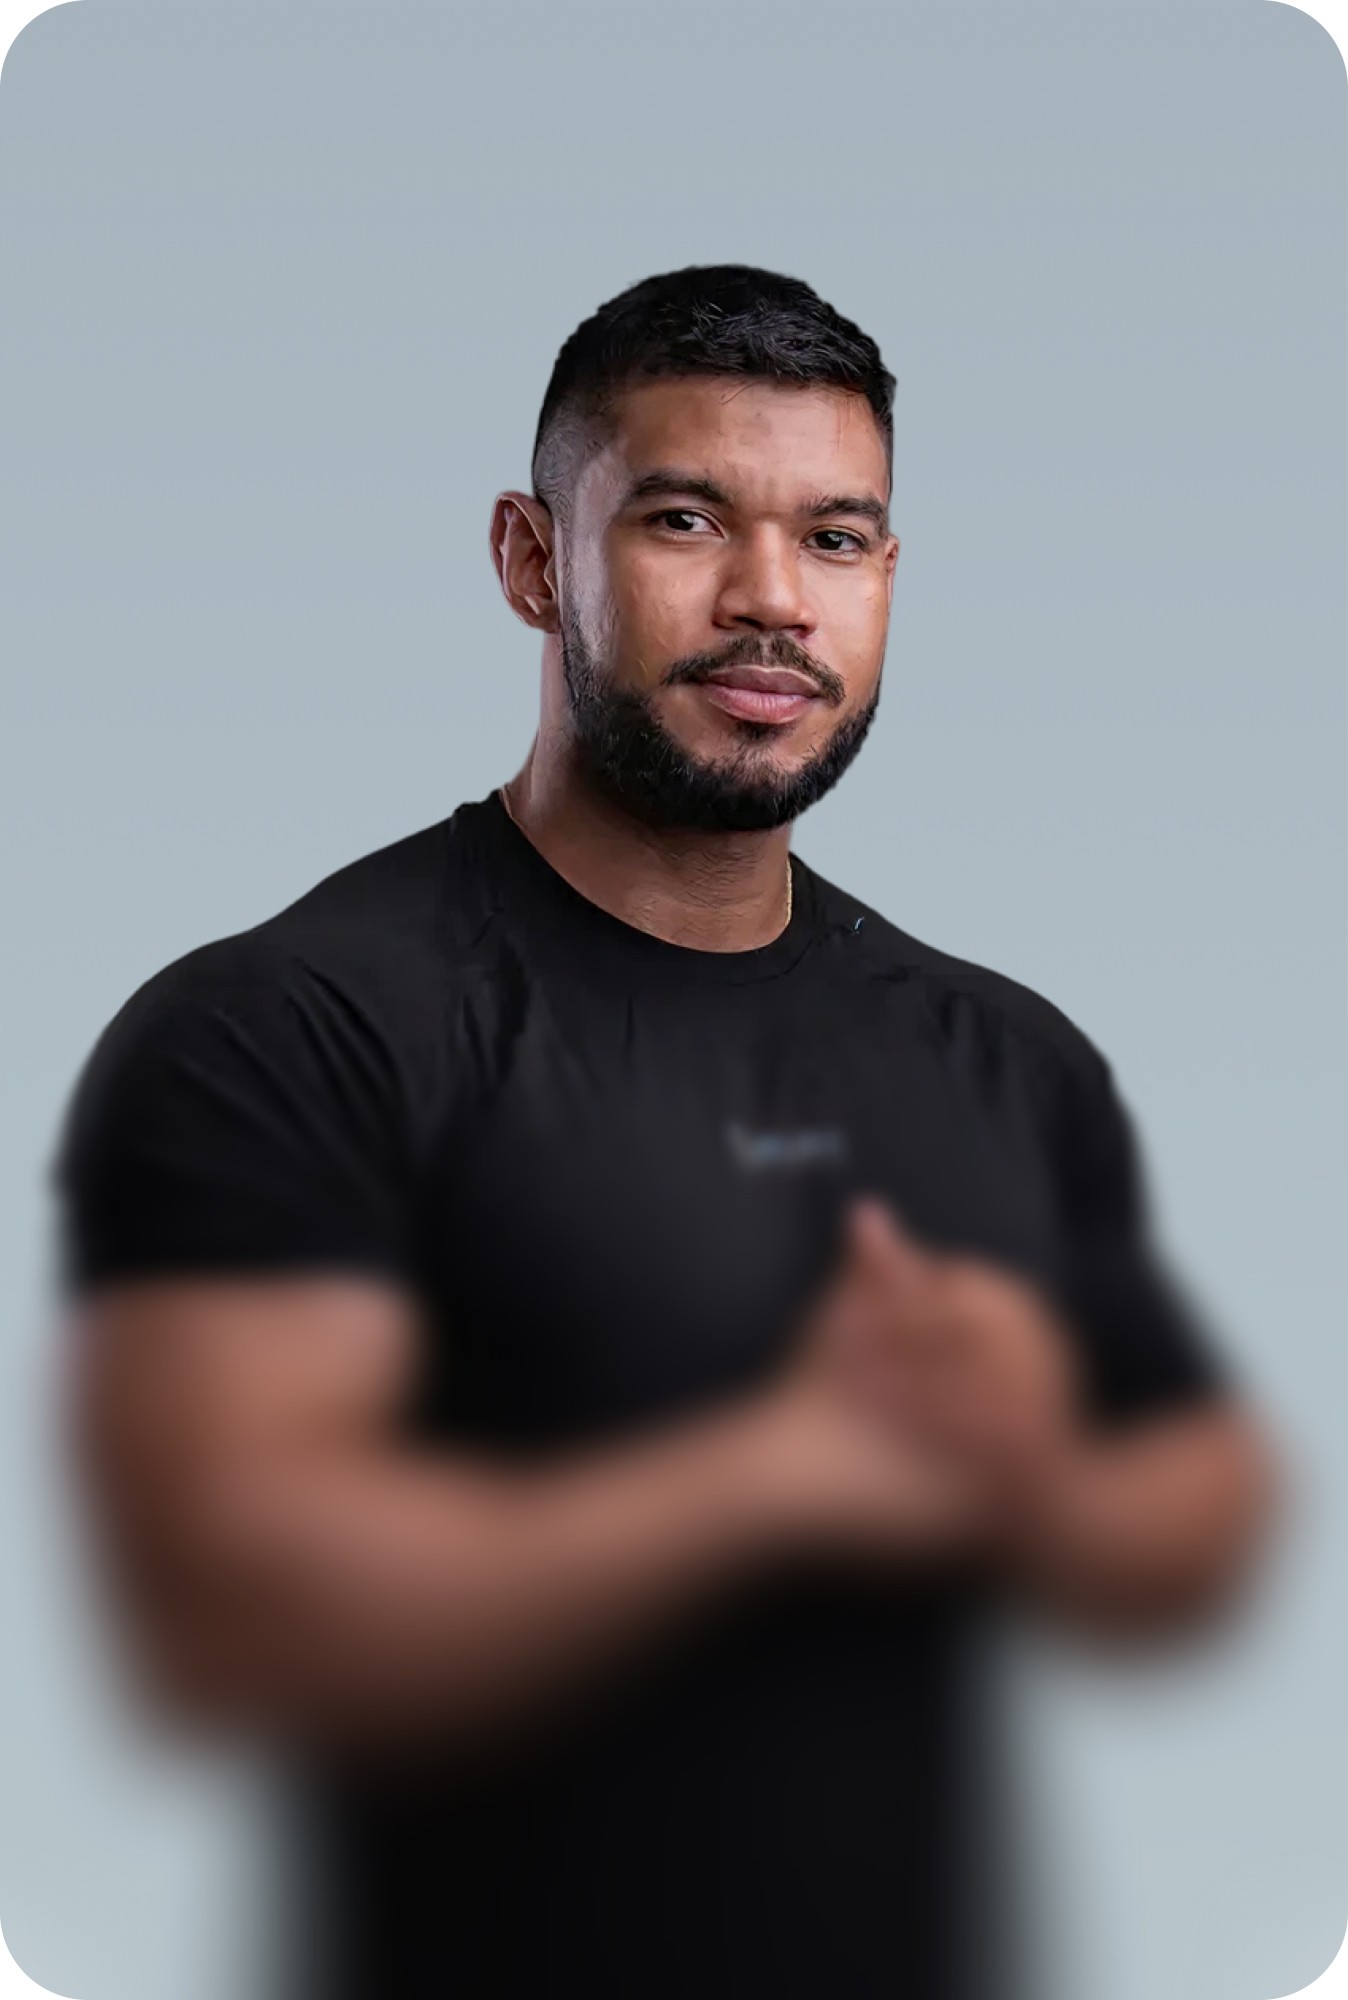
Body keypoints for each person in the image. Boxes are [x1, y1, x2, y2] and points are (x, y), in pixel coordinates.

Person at [51, 265, 1274, 2000]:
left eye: (838, 539)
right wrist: (765, 1473)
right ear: (532, 558)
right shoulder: (294, 1022)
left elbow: (1195, 1517)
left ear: (891, 577)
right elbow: (227, 1615)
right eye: (688, 519)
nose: (773, 600)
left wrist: (1036, 1476)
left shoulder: (1001, 1051)